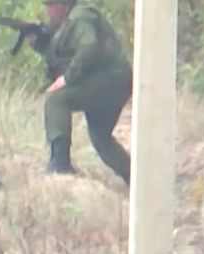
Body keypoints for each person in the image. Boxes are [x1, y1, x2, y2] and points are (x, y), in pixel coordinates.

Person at [35, 0, 132, 183]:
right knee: (100, 137)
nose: (48, 10)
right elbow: (59, 59)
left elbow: (89, 47)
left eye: (51, 5)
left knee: (57, 99)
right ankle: (136, 178)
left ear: (64, 4)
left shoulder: (81, 17)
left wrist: (67, 78)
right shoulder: (67, 22)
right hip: (115, 81)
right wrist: (37, 42)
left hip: (111, 79)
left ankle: (60, 163)